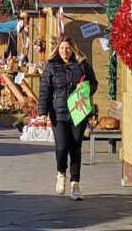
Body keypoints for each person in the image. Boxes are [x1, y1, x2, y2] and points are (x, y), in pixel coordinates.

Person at [38, 36, 97, 201]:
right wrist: (42, 112)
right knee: (62, 146)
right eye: (62, 48)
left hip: (78, 111)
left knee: (75, 147)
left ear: (73, 49)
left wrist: (84, 88)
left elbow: (94, 83)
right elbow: (45, 91)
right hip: (59, 112)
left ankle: (75, 184)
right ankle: (61, 173)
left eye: (68, 48)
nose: (65, 51)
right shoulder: (51, 67)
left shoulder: (83, 65)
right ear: (58, 49)